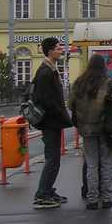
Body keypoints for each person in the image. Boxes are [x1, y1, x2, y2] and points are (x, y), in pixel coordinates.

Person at [69, 54, 112, 210]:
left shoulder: (79, 83)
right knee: (106, 163)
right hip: (105, 128)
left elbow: (70, 104)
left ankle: (92, 199)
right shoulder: (109, 83)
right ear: (103, 66)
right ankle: (106, 198)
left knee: (91, 164)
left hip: (86, 129)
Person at [30, 37, 73, 210]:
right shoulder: (45, 72)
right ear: (49, 51)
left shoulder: (50, 69)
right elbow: (46, 99)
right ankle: (42, 194)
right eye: (57, 48)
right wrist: (60, 113)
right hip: (50, 123)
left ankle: (47, 190)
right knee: (52, 159)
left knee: (54, 159)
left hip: (52, 122)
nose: (61, 50)